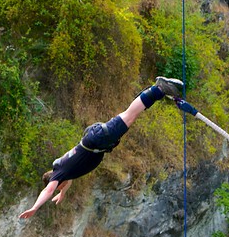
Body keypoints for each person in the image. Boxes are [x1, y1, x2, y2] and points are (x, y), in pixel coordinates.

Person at [18, 76, 184, 219]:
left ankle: (159, 88)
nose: (56, 188)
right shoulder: (63, 170)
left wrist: (35, 207)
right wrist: (63, 193)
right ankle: (158, 91)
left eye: (56, 187)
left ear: (54, 181)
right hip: (98, 139)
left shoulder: (59, 173)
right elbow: (67, 183)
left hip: (98, 139)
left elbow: (47, 191)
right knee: (130, 117)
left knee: (129, 115)